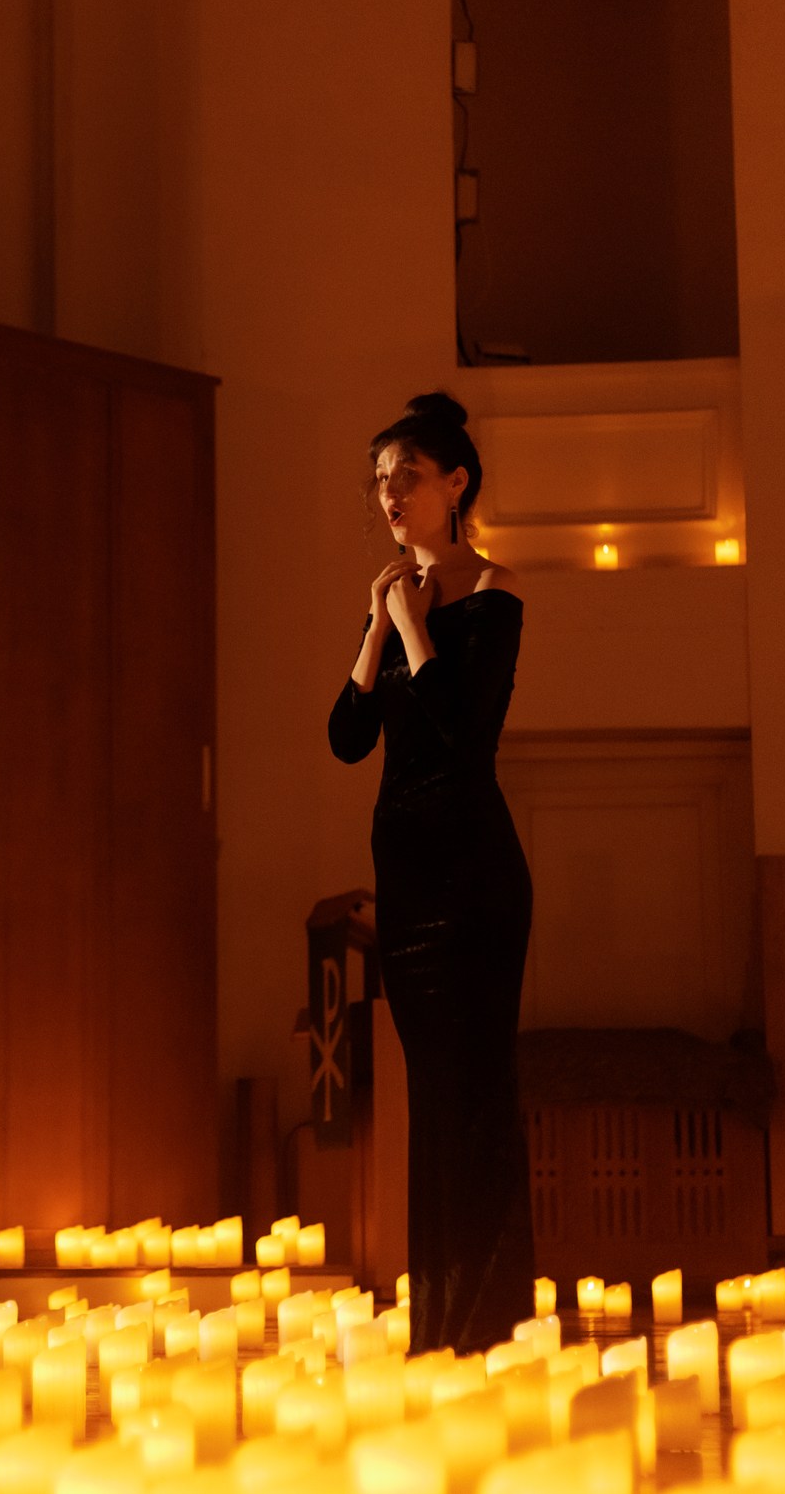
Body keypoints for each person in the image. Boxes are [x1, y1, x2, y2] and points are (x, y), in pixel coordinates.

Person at [326, 391, 535, 1353]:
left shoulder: (493, 590)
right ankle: (439, 1324)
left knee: (476, 1095)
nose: (390, 494)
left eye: (406, 475)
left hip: (474, 879)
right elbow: (347, 737)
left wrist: (415, 628)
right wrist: (378, 627)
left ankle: (491, 1323)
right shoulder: (391, 599)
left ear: (456, 483)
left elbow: (462, 729)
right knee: (432, 1101)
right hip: (407, 882)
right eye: (380, 479)